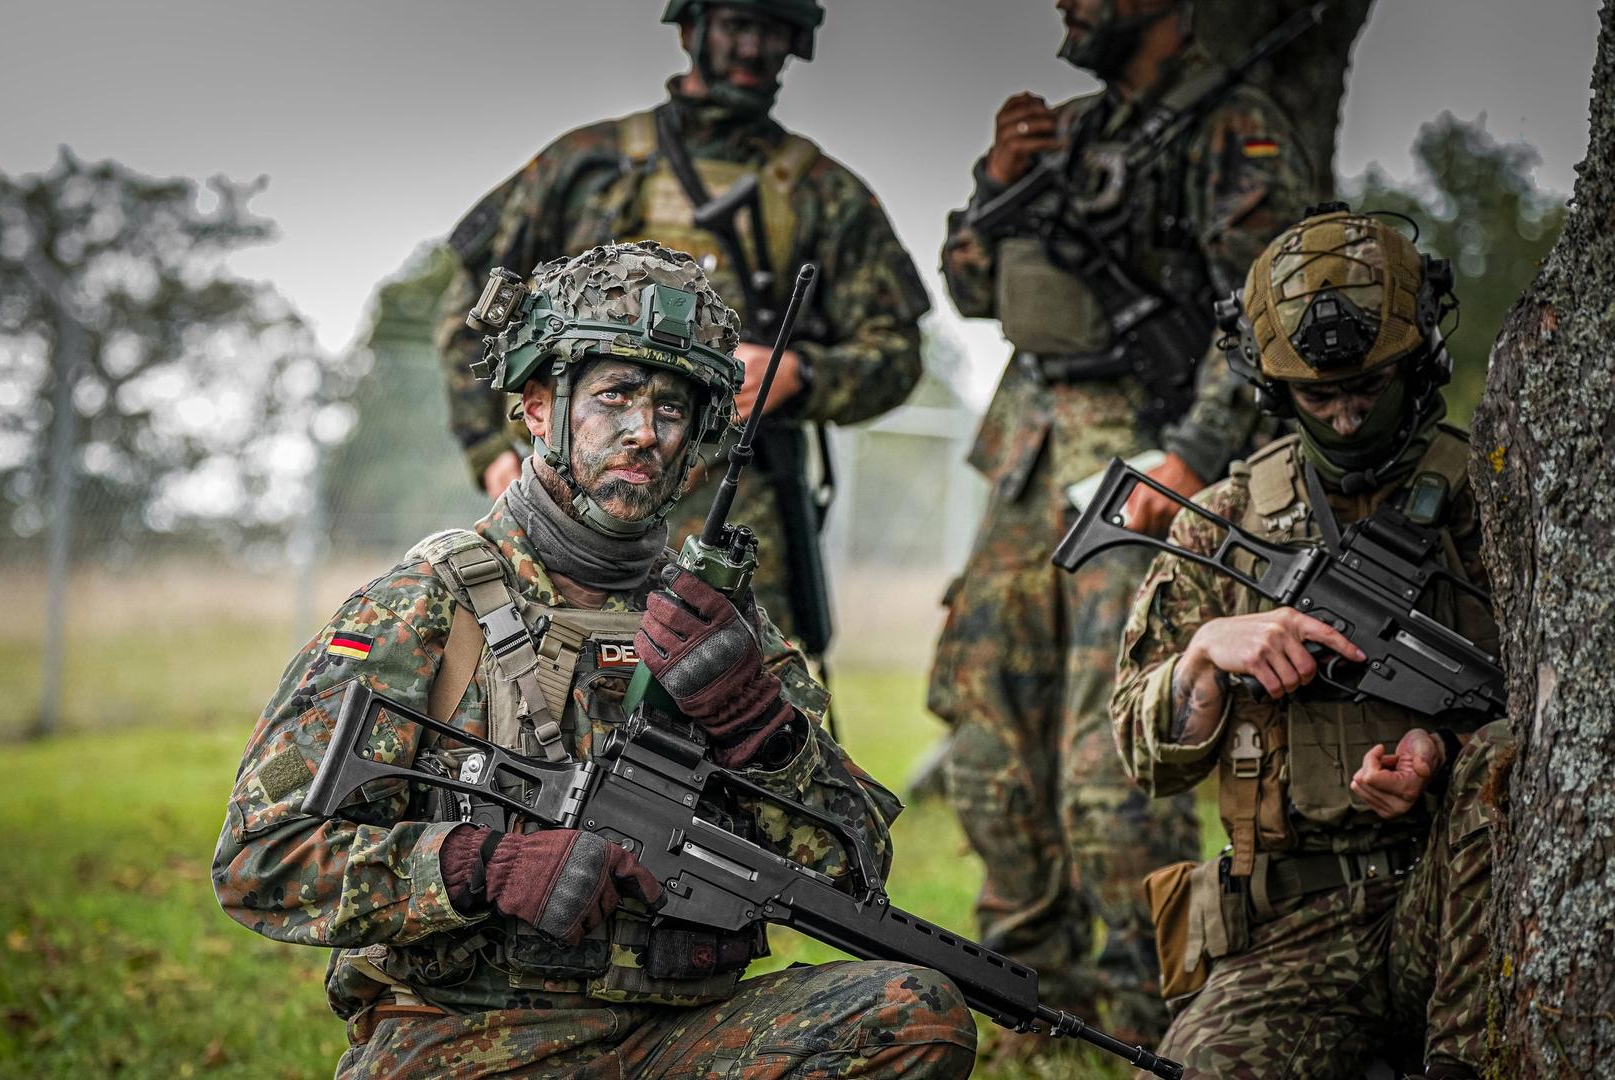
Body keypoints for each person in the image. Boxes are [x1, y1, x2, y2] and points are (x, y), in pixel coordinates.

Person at [215, 242, 975, 1079]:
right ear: (539, 406)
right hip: (466, 1043)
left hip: (676, 1042)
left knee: (912, 1017)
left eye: (675, 408)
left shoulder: (721, 623)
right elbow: (262, 858)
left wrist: (759, 723)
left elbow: (853, 865)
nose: (645, 432)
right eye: (616, 395)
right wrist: (480, 867)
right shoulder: (425, 603)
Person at [925, 0, 1315, 1043]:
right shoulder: (1072, 132)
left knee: (1118, 762)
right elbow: (970, 287)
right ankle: (1021, 1007)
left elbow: (1267, 312)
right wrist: (995, 188)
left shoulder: (1234, 128)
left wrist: (1193, 452)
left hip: (1147, 466)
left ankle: (1146, 1017)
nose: (1069, 7)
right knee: (987, 744)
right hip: (1027, 459)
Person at [1112, 206, 1509, 1079]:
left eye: (1367, 388)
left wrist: (1440, 750)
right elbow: (1141, 755)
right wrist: (1206, 655)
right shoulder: (1223, 523)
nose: (1340, 418)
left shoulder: (1495, 503)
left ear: (1419, 366)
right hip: (1293, 926)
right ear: (1272, 388)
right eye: (1315, 395)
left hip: (1465, 904)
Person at [436, 0, 930, 647]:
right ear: (692, 28)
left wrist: (801, 375)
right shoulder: (586, 166)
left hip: (736, 511)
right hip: (572, 507)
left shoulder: (824, 195)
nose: (753, 49)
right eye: (737, 26)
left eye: (772, 32)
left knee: (736, 707)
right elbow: (471, 310)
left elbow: (896, 352)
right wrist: (488, 452)